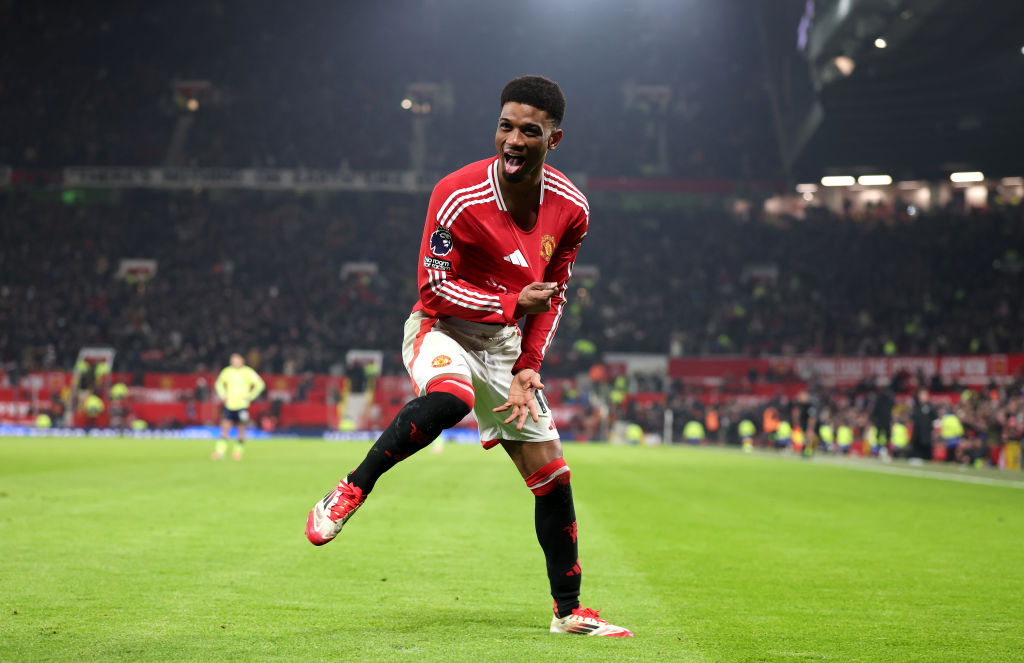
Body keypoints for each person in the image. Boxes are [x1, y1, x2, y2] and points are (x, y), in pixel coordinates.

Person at [304, 76, 632, 637]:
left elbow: (553, 297)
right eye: (506, 126)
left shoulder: (572, 208)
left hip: (505, 347)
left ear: (553, 139)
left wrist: (528, 366)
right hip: (442, 327)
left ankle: (568, 612)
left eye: (530, 130)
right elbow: (432, 289)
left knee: (553, 477)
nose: (514, 139)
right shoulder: (458, 193)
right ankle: (352, 487)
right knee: (451, 399)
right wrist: (509, 301)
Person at [212, 353, 265, 460]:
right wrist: (223, 395)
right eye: (233, 360)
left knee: (241, 429)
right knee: (225, 428)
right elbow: (218, 384)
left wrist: (250, 396)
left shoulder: (248, 372)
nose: (234, 362)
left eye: (236, 360)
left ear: (242, 361)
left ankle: (237, 452)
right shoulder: (227, 371)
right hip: (229, 405)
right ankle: (220, 452)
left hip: (242, 406)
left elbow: (260, 384)